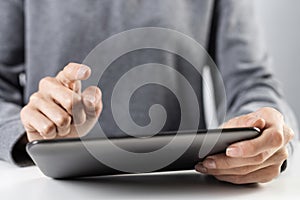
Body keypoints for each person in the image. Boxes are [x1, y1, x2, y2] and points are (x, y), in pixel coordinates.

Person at [0, 0, 298, 184]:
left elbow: (251, 81)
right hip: (48, 187)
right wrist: (33, 131)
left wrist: (263, 138)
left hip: (181, 184)